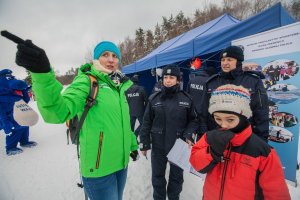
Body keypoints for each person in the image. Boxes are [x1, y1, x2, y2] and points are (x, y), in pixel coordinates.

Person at [3, 32, 138, 200]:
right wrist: (42, 74)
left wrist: (132, 146)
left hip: (121, 164)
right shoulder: (87, 82)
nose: (111, 60)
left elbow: (124, 124)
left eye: (114, 56)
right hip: (99, 170)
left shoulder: (119, 87)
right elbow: (58, 111)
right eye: (105, 55)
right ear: (95, 59)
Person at [190, 84, 290, 200]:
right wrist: (211, 152)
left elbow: (276, 193)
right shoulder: (210, 137)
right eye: (218, 118)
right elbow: (195, 164)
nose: (223, 125)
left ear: (243, 116)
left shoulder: (263, 152)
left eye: (230, 119)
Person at [139, 65, 199, 200]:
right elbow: (146, 122)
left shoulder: (187, 99)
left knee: (176, 179)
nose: (168, 80)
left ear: (178, 80)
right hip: (158, 146)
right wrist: (144, 143)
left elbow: (194, 120)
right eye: (165, 77)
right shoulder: (154, 99)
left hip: (178, 146)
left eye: (171, 77)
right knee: (157, 178)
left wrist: (189, 134)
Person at [200, 46, 269, 142]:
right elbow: (203, 112)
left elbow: (261, 113)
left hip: (244, 139)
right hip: (217, 137)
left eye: (229, 59)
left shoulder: (253, 81)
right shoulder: (211, 82)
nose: (225, 63)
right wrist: (204, 135)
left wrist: (261, 140)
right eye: (223, 60)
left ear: (239, 61)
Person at [0, 69, 37, 155]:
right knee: (15, 129)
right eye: (9, 78)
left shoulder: (15, 94)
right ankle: (10, 148)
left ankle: (24, 141)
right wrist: (5, 123)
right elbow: (1, 112)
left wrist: (24, 90)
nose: (12, 79)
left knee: (25, 125)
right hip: (9, 117)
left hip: (20, 113)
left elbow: (26, 101)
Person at [186, 65, 216, 141]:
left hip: (192, 114)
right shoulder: (210, 82)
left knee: (190, 139)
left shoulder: (192, 80)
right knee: (203, 140)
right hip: (204, 116)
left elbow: (187, 96)